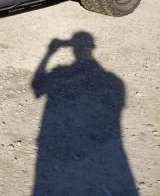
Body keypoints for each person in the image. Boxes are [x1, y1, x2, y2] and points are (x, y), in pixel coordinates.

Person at [31, 31, 137, 195]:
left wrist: (49, 52)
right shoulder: (115, 82)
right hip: (104, 154)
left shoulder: (61, 73)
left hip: (61, 151)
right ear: (91, 48)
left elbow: (37, 87)